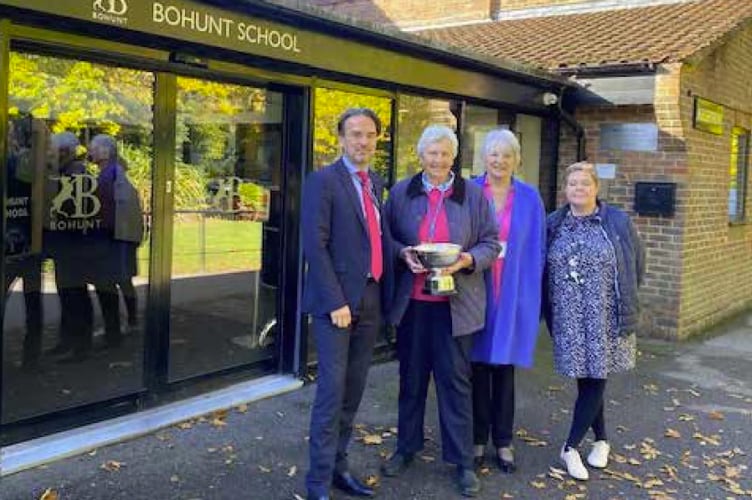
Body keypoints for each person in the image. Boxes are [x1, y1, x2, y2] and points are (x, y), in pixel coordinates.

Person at [381, 125, 499, 497]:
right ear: (421, 155)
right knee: (411, 382)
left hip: (457, 308)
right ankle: (406, 448)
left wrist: (465, 259)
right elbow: (386, 238)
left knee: (455, 385)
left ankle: (462, 461)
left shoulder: (474, 196)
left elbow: (491, 243)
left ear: (454, 157)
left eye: (444, 154)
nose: (437, 160)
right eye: (431, 153)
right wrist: (403, 253)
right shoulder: (401, 192)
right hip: (414, 306)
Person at [301, 108, 387, 500]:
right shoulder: (323, 181)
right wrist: (335, 300)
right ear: (340, 138)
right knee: (331, 394)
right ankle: (317, 484)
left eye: (369, 135)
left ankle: (339, 470)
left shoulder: (375, 184)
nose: (363, 141)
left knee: (353, 391)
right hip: (336, 304)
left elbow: (373, 237)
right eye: (355, 134)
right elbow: (314, 246)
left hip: (370, 297)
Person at [544, 161, 645, 480]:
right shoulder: (554, 223)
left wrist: (624, 298)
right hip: (570, 317)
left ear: (596, 188)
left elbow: (636, 263)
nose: (578, 189)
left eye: (584, 184)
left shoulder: (616, 221)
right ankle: (601, 440)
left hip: (606, 316)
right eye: (572, 184)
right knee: (586, 379)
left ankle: (570, 447)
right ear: (565, 189)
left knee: (597, 378)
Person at [470, 129, 546, 473]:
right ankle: (475, 439)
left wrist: (531, 301)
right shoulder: (470, 190)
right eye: (494, 154)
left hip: (512, 293)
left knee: (503, 370)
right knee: (475, 369)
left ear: (518, 159)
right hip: (475, 291)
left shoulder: (530, 198)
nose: (500, 160)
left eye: (507, 155)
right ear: (484, 157)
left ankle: (503, 442)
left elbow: (537, 252)